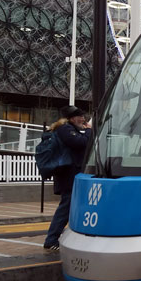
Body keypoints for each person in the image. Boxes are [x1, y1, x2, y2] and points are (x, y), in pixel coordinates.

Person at [43, 105, 92, 252]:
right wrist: (89, 130)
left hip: (72, 176)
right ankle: (51, 240)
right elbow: (81, 143)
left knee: (72, 208)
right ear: (72, 118)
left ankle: (73, 237)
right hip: (68, 177)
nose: (83, 119)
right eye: (80, 116)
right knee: (65, 208)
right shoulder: (64, 129)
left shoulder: (69, 129)